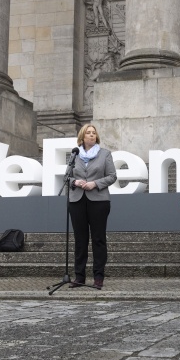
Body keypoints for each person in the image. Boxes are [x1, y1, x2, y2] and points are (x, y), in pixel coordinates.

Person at [68, 124, 117, 289]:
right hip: (77, 201)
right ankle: (79, 277)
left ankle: (98, 277)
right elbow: (66, 177)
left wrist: (95, 183)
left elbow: (112, 176)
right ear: (82, 137)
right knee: (80, 240)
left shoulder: (105, 154)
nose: (91, 135)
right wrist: (74, 181)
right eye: (88, 133)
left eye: (94, 133)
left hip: (99, 201)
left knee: (98, 239)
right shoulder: (74, 155)